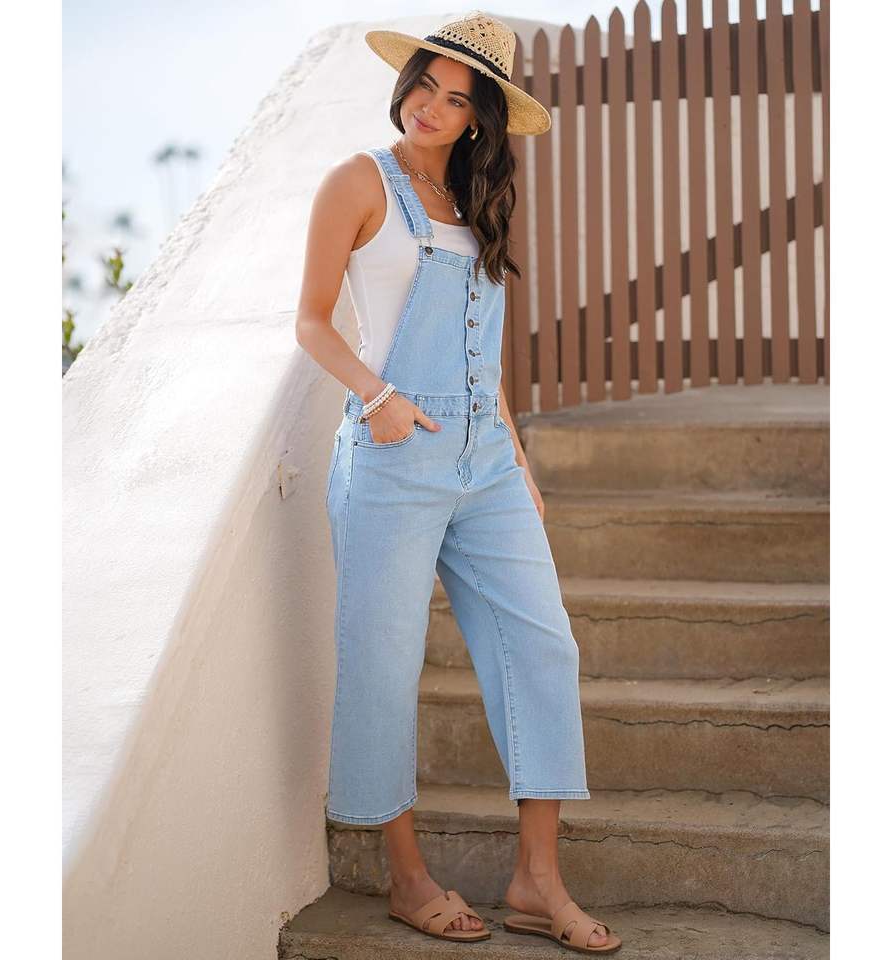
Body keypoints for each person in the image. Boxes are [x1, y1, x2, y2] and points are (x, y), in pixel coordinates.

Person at [295, 11, 621, 955]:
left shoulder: (480, 202)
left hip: (486, 462)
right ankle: (406, 877)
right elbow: (312, 320)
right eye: (424, 87)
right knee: (384, 662)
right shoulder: (359, 182)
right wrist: (380, 399)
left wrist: (514, 454)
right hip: (395, 455)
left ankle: (537, 880)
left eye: (454, 99)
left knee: (544, 646)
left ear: (481, 118)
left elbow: (486, 349)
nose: (430, 108)